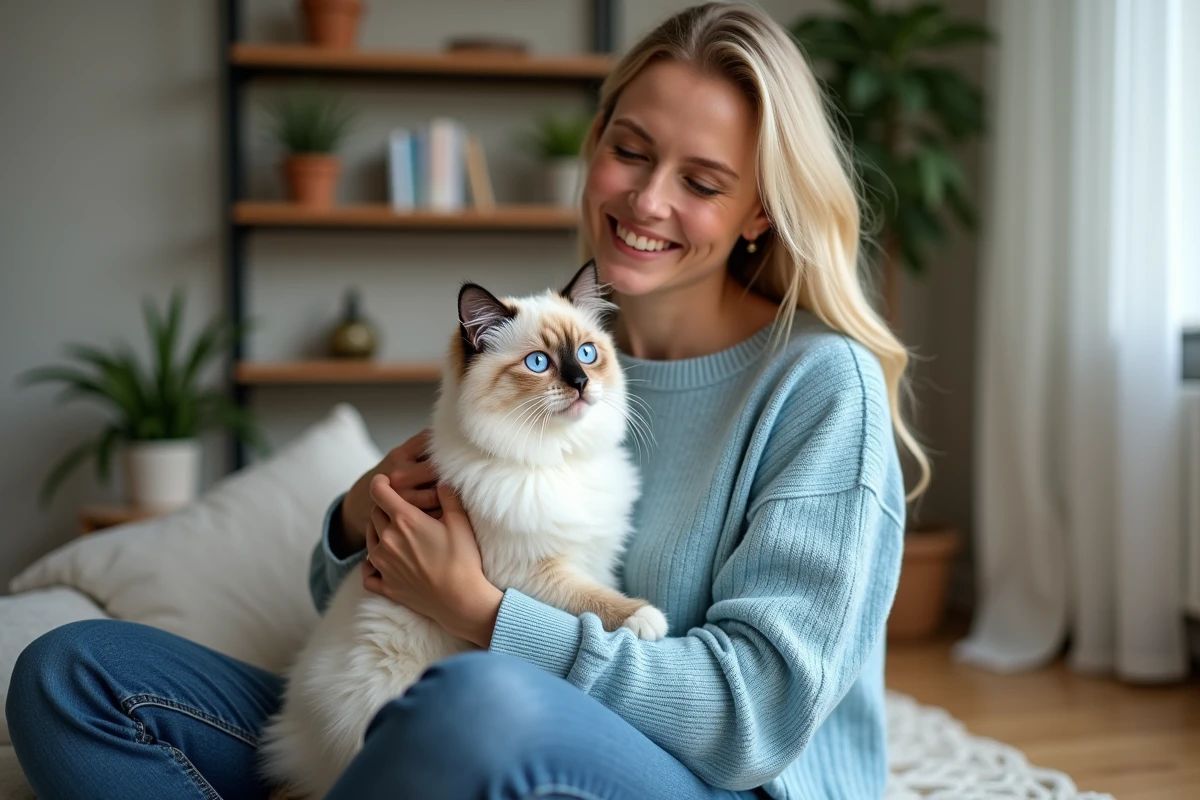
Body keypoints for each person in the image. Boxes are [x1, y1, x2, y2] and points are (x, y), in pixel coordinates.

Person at [8, 4, 928, 798]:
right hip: (466, 711)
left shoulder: (817, 387)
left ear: (759, 210)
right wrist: (364, 516)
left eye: (702, 182)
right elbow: (375, 602)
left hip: (702, 780)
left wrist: (487, 616)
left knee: (469, 708)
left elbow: (752, 717)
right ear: (596, 143)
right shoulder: (549, 349)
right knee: (71, 674)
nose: (646, 200)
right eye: (630, 151)